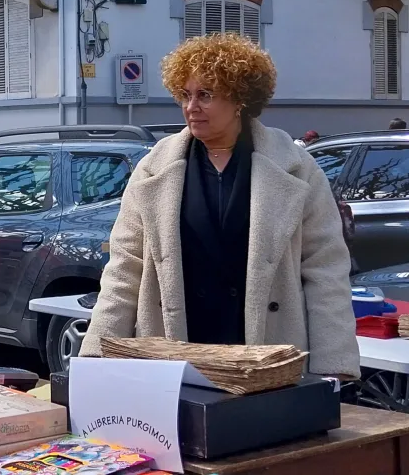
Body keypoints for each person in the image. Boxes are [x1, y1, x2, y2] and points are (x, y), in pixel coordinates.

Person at [81, 34, 359, 381]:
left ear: (240, 98)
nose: (191, 107)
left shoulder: (296, 167)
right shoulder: (154, 168)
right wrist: (94, 357)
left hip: (266, 355)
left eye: (205, 95)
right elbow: (124, 269)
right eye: (185, 95)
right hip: (173, 354)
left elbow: (326, 271)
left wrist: (334, 367)